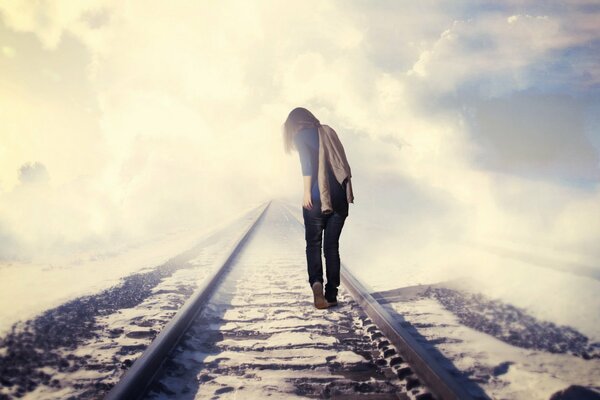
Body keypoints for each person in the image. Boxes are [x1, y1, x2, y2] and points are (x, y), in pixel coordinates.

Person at [282, 107, 352, 309]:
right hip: (339, 198)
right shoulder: (328, 132)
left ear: (294, 125)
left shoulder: (300, 136)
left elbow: (307, 165)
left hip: (316, 198)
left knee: (313, 245)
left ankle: (317, 284)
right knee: (332, 247)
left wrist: (306, 192)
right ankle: (331, 295)